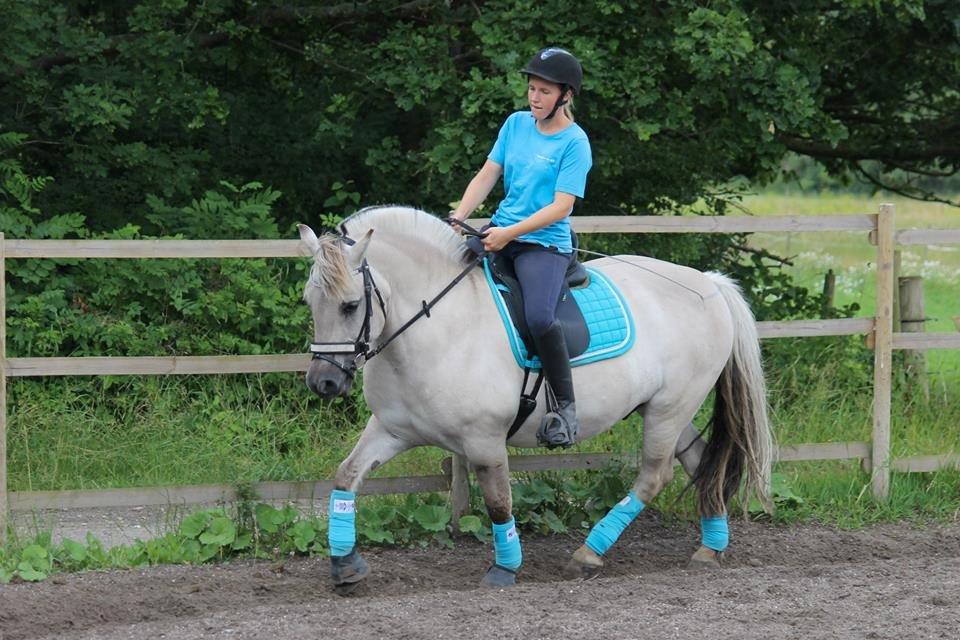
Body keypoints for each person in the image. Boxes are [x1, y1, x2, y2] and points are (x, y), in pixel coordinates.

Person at [449, 47, 593, 449]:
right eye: (532, 88)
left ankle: (565, 409)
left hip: (542, 244)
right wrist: (459, 216)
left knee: (539, 317)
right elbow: (487, 174)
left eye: (544, 91)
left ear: (566, 95)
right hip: (500, 230)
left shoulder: (575, 142)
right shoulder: (515, 125)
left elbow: (561, 207)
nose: (534, 97)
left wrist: (509, 235)